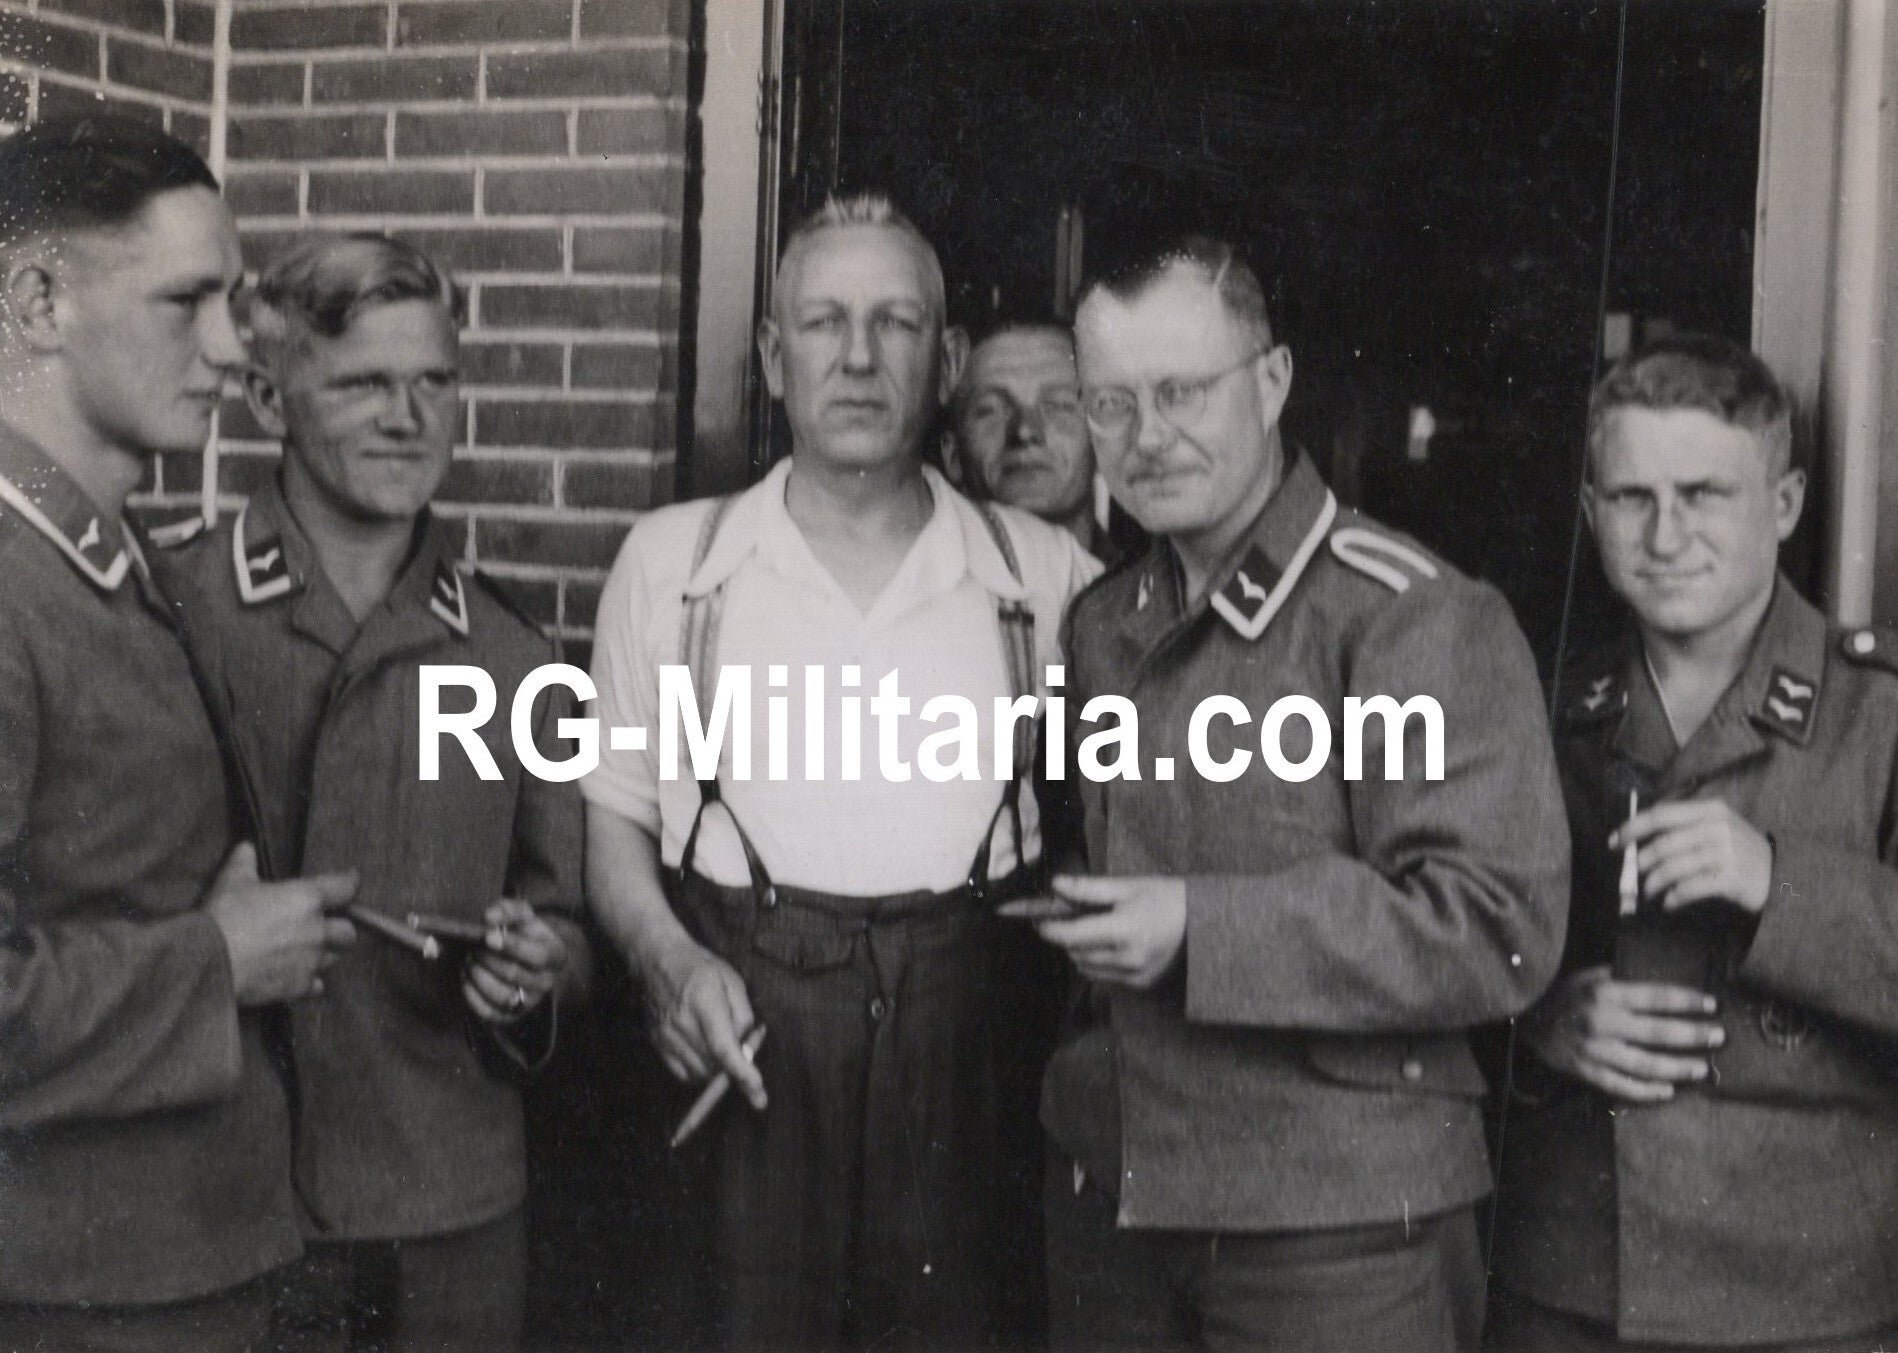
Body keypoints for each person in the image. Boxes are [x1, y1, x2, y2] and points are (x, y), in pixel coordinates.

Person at [1028, 236, 1569, 1350]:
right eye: (1111, 403)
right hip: (1117, 1194)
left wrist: (1200, 930)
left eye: (1182, 392)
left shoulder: (1407, 614)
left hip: (1336, 1222)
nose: (1147, 436)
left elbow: (1497, 924)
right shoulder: (1104, 623)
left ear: (1272, 383)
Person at [585, 193, 1100, 1349]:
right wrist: (667, 960)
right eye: (823, 322)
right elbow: (613, 820)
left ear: (945, 359)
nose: (858, 358)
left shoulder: (1045, 578)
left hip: (971, 1071)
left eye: (894, 322)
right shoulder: (674, 565)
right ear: (774, 357)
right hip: (748, 1053)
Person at [149, 232, 588, 1352]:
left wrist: (537, 972)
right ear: (268, 398)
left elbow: (565, 920)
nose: (408, 416)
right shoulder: (174, 610)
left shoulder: (511, 655)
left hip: (446, 1211)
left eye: (434, 382)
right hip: (221, 1208)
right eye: (362, 384)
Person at [0, 116, 358, 1350]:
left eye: (234, 302)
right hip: (73, 1296)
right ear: (38, 304)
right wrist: (218, 961)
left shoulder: (110, 552)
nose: (230, 349)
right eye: (184, 302)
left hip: (186, 1260)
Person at [1489, 336, 1898, 1350]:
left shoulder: (1877, 712)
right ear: (1591, 513)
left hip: (1803, 1287)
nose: (1664, 534)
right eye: (1632, 497)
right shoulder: (1531, 706)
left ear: (1785, 504)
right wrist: (1535, 1019)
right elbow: (1444, 928)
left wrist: (1776, 882)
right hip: (1572, 1271)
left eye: (1704, 495)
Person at [949, 320, 1139, 563]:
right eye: (991, 409)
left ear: (1106, 445)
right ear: (952, 454)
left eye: (1058, 406)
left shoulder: (1158, 585)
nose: (1025, 430)